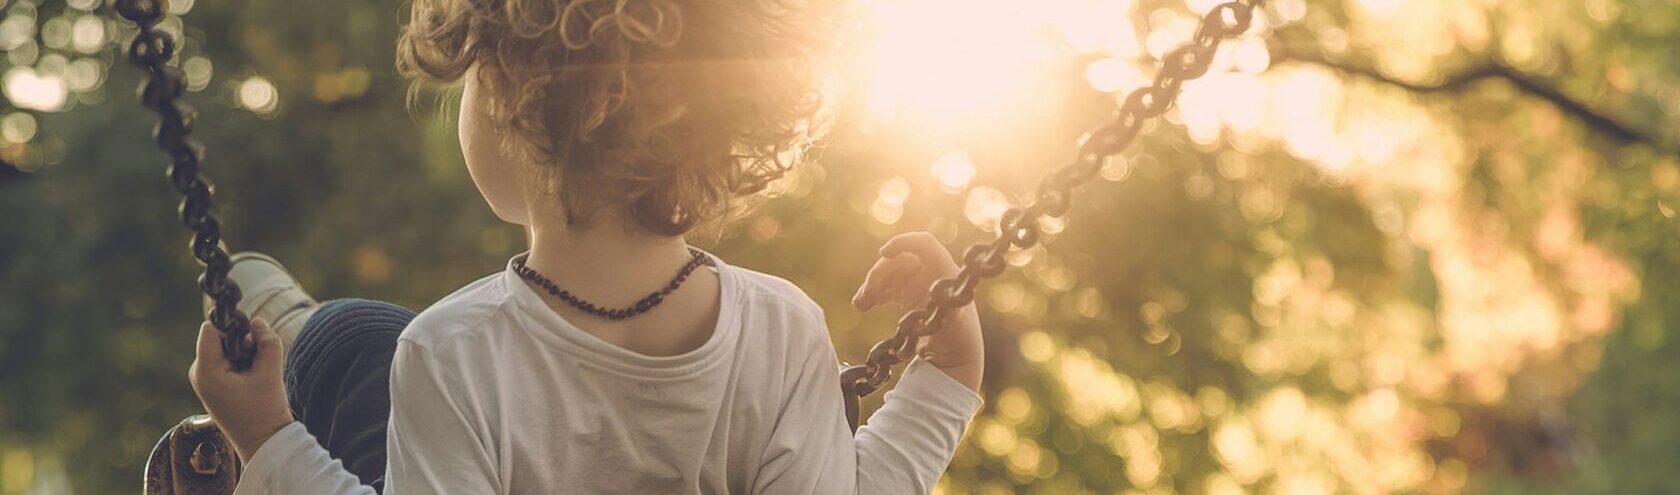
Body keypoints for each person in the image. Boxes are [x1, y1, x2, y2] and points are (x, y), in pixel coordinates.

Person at [184, 0, 986, 492]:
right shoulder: (782, 330)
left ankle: (302, 337)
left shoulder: (454, 353)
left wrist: (268, 437)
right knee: (349, 336)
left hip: (359, 377)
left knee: (349, 339)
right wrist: (946, 381)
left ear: (508, 96)